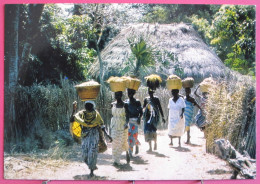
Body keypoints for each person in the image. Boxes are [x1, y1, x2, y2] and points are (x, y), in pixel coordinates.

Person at [72, 101, 112, 177]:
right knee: (84, 154)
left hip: (94, 134)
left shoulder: (96, 115)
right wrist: (73, 110)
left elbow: (102, 125)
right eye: (86, 105)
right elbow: (72, 118)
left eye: (89, 105)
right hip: (85, 135)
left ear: (92, 106)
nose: (88, 107)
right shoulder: (81, 114)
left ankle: (91, 171)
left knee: (92, 152)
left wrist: (107, 135)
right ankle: (91, 166)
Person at [110, 91, 130, 166]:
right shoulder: (112, 104)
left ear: (121, 95)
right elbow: (112, 116)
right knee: (114, 142)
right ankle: (116, 160)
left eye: (118, 94)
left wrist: (127, 123)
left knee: (122, 141)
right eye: (116, 94)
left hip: (122, 125)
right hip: (114, 125)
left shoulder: (125, 105)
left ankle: (127, 152)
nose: (116, 96)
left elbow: (128, 116)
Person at [125, 88, 143, 157]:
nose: (129, 94)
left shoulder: (137, 102)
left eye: (131, 93)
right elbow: (126, 113)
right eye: (128, 92)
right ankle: (130, 152)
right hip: (129, 121)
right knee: (129, 136)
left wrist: (139, 118)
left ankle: (136, 144)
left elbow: (141, 112)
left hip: (135, 121)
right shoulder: (126, 102)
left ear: (133, 93)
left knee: (134, 135)